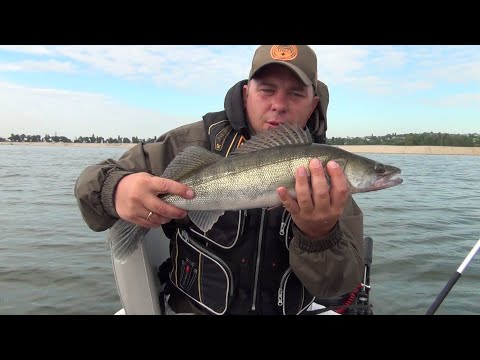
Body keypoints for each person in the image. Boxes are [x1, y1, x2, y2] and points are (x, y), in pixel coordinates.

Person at [74, 45, 365, 315]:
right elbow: (92, 183)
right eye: (267, 90)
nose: (279, 104)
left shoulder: (327, 173)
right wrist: (116, 189)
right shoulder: (192, 142)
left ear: (313, 104)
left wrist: (320, 235)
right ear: (246, 93)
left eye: (296, 94)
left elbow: (337, 285)